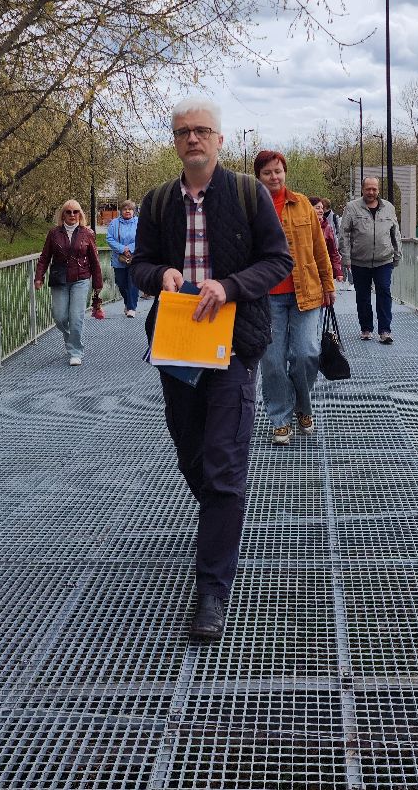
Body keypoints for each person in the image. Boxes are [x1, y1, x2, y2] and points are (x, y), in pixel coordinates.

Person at [131, 97, 291, 642]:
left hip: (232, 346)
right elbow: (140, 265)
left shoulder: (247, 194)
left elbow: (278, 261)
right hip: (177, 345)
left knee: (223, 464)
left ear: (220, 140)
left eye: (202, 131)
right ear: (175, 143)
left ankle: (212, 590)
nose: (193, 139)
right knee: (191, 454)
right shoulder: (157, 202)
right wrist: (161, 276)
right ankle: (222, 519)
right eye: (183, 133)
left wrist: (229, 286)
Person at [254, 152, 335, 446]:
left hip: (307, 292)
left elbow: (319, 247)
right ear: (258, 176)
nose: (274, 177)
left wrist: (328, 284)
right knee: (273, 361)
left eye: (278, 171)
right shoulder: (251, 206)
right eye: (267, 173)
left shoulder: (302, 204)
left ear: (285, 173)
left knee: (306, 354)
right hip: (266, 297)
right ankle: (280, 418)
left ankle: (303, 405)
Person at [34, 200, 104, 366]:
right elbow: (45, 257)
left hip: (81, 279)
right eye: (69, 212)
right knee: (59, 317)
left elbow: (94, 259)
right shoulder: (54, 233)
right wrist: (39, 277)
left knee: (76, 317)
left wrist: (97, 282)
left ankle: (75, 351)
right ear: (63, 214)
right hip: (60, 279)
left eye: (76, 212)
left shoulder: (87, 233)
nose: (72, 215)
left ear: (80, 214)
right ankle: (71, 338)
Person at [339, 175, 401, 344]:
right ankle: (366, 328)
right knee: (363, 296)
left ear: (378, 190)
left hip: (384, 259)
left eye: (374, 189)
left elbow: (395, 233)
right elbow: (344, 234)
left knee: (384, 292)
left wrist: (397, 254)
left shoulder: (389, 208)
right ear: (362, 189)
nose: (371, 192)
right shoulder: (352, 208)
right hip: (359, 260)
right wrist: (346, 258)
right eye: (368, 189)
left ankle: (385, 330)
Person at [106, 199, 141, 317]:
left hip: (134, 258)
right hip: (118, 259)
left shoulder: (139, 222)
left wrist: (130, 249)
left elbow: (142, 238)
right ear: (121, 211)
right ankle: (127, 301)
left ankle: (132, 308)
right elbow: (109, 238)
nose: (127, 211)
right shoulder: (114, 223)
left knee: (133, 283)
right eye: (125, 209)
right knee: (121, 283)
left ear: (133, 211)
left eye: (130, 209)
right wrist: (122, 249)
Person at [311, 196, 344, 282]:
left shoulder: (327, 227)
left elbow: (333, 252)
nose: (321, 211)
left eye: (322, 208)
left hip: (324, 270)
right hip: (307, 271)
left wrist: (338, 272)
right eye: (317, 208)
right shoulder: (302, 227)